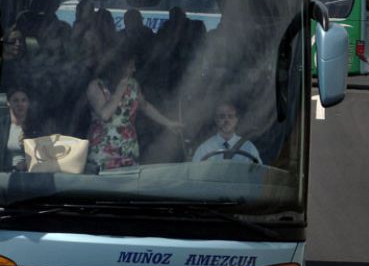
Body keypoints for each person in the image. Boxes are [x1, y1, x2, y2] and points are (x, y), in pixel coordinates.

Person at [86, 42, 182, 171]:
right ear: (119, 67)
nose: (134, 70)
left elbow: (145, 106)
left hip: (127, 147)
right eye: (130, 66)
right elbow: (105, 114)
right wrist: (119, 91)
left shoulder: (133, 84)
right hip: (104, 149)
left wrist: (168, 123)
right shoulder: (96, 86)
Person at [192, 103, 262, 164]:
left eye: (230, 116)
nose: (227, 120)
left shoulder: (249, 148)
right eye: (222, 116)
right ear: (216, 120)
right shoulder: (204, 149)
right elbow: (195, 174)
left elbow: (258, 174)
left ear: (236, 120)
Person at [0, 88, 35, 172]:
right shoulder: (2, 125)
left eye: (23, 100)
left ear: (28, 103)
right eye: (15, 101)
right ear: (8, 103)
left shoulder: (35, 125)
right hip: (5, 174)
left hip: (31, 173)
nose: (20, 104)